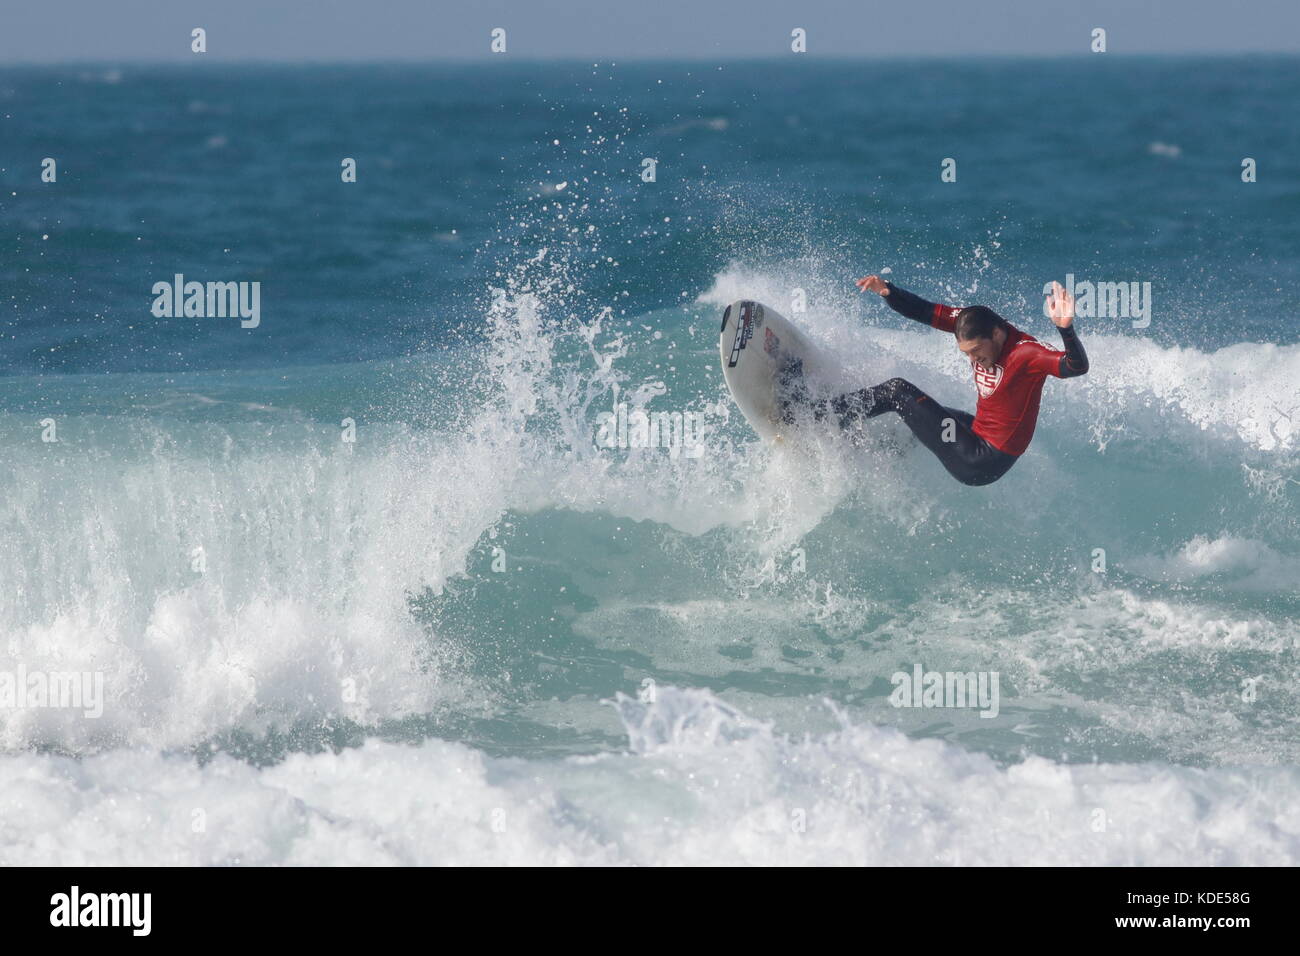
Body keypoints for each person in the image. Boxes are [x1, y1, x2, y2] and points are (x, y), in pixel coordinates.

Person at [792, 276, 1089, 486]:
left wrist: (1066, 329)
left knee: (898, 392)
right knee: (919, 414)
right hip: (975, 431)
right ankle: (862, 447)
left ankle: (812, 416)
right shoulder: (971, 324)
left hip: (982, 461)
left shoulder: (1027, 354)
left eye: (976, 352)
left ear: (998, 334)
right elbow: (924, 311)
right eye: (966, 353)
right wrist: (887, 291)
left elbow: (1075, 366)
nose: (972, 360)